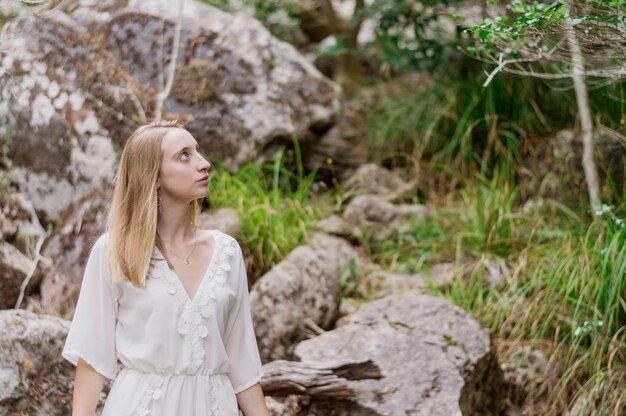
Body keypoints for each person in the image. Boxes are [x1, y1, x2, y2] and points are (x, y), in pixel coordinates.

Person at [62, 120, 271, 416]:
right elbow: (93, 361)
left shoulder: (227, 253)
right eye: (184, 155)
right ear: (154, 176)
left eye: (197, 152)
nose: (204, 163)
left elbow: (243, 364)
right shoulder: (114, 252)